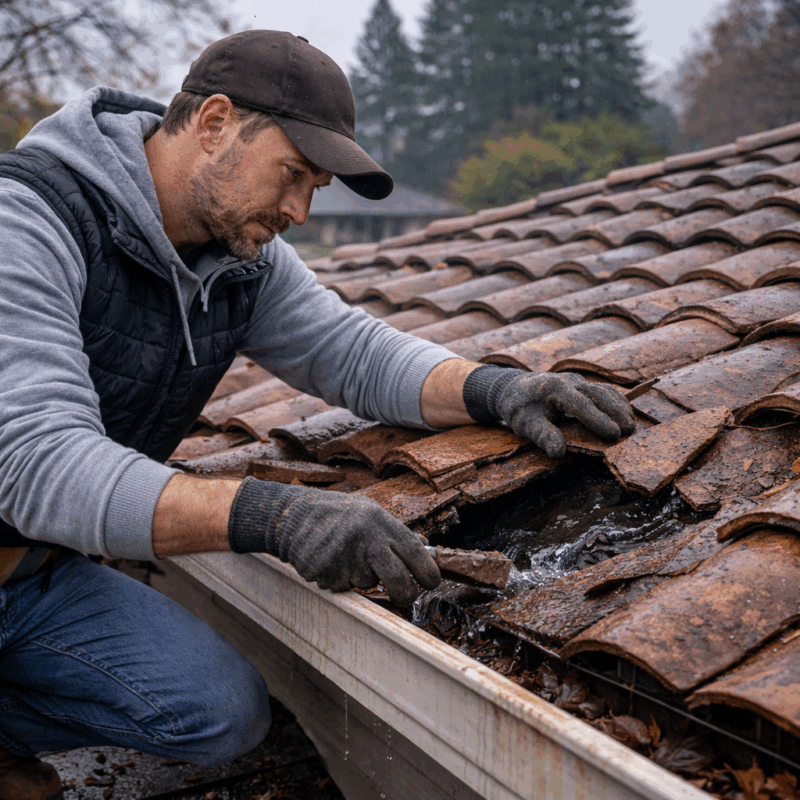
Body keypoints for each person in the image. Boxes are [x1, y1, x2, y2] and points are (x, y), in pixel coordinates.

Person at [0, 30, 634, 799]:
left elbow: (349, 351)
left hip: (31, 576)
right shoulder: (29, 221)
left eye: (316, 188)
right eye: (292, 174)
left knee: (219, 711)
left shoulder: (237, 254)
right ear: (214, 124)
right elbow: (37, 465)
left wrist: (496, 389)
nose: (299, 209)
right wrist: (273, 515)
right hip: (29, 524)